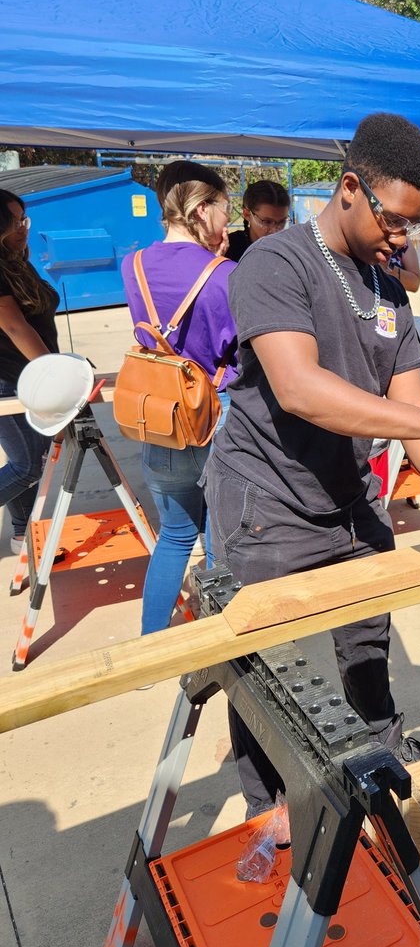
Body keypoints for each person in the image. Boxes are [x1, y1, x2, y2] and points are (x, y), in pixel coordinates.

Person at [203, 113, 420, 817]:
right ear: (352, 188)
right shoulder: (277, 263)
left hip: (351, 502)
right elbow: (300, 390)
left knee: (367, 644)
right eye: (395, 222)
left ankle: (376, 769)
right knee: (265, 675)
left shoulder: (387, 291)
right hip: (269, 503)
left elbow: (411, 414)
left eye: (414, 229)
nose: (404, 240)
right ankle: (272, 815)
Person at [121, 171, 238, 635]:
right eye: (226, 210)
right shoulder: (227, 274)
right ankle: (216, 638)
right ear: (201, 210)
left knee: (173, 534)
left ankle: (151, 645)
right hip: (216, 413)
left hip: (161, 412)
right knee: (218, 540)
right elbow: (236, 347)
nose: (227, 222)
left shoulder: (132, 266)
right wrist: (218, 263)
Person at [0, 190, 60, 554]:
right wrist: (55, 371)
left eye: (24, 219)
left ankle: (22, 534)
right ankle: (22, 531)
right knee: (27, 466)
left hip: (30, 375)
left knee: (28, 460)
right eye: (12, 221)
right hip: (9, 380)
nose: (22, 228)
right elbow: (14, 327)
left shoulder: (16, 261)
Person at [225, 180, 291, 262]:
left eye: (282, 222)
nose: (275, 230)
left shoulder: (290, 249)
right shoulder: (228, 248)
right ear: (247, 215)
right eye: (267, 222)